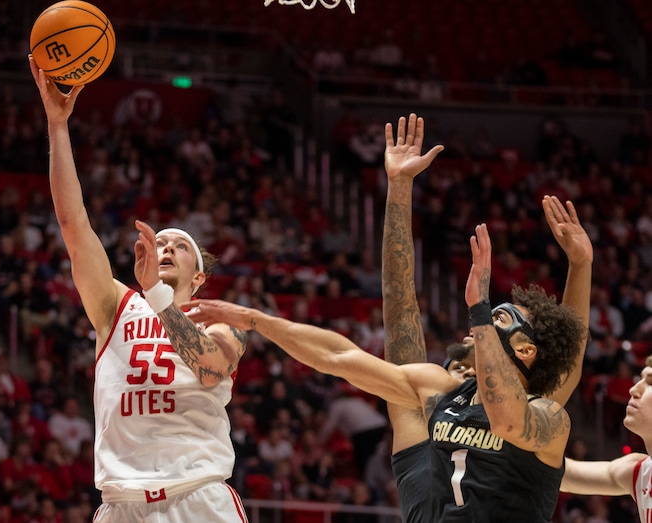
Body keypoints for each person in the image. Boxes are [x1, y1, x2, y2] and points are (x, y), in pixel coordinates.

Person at [186, 231, 588, 522]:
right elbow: (340, 356)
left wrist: (481, 308)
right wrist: (257, 320)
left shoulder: (549, 418)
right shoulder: (444, 390)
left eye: (502, 318)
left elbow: (508, 419)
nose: (475, 329)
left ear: (525, 350)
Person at [28, 55, 249, 523]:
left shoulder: (222, 322)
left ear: (199, 277)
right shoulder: (115, 306)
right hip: (121, 504)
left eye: (179, 246)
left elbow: (210, 370)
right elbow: (72, 224)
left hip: (198, 496)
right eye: (159, 241)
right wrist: (58, 126)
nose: (165, 248)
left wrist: (160, 299)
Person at [380, 114, 593, 522]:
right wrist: (398, 190)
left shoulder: (527, 412)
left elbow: (567, 354)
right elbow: (399, 304)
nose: (471, 372)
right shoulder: (422, 420)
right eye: (460, 366)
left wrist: (580, 266)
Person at [560, 355, 652, 523]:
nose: (633, 389)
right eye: (641, 379)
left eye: (650, 383)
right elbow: (565, 476)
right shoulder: (639, 472)